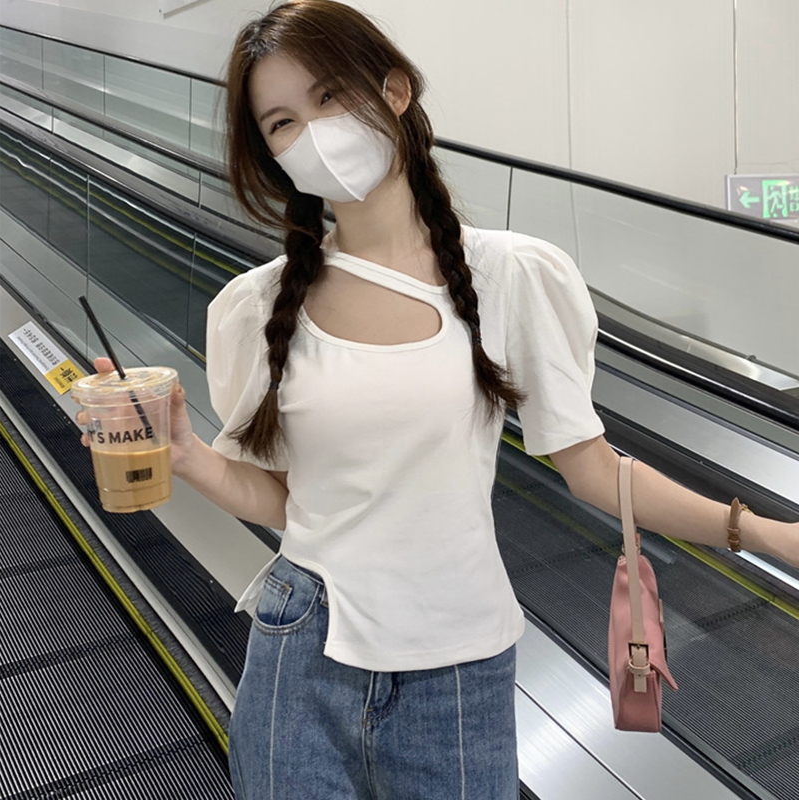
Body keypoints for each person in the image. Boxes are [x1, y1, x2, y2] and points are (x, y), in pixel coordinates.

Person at [76, 1, 799, 797]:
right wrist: (185, 456)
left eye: (328, 96)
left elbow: (594, 470)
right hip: (303, 641)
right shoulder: (256, 309)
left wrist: (763, 532)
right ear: (272, 155)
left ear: (394, 91)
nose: (312, 133)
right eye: (281, 123)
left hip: (458, 665)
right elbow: (284, 500)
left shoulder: (511, 276)